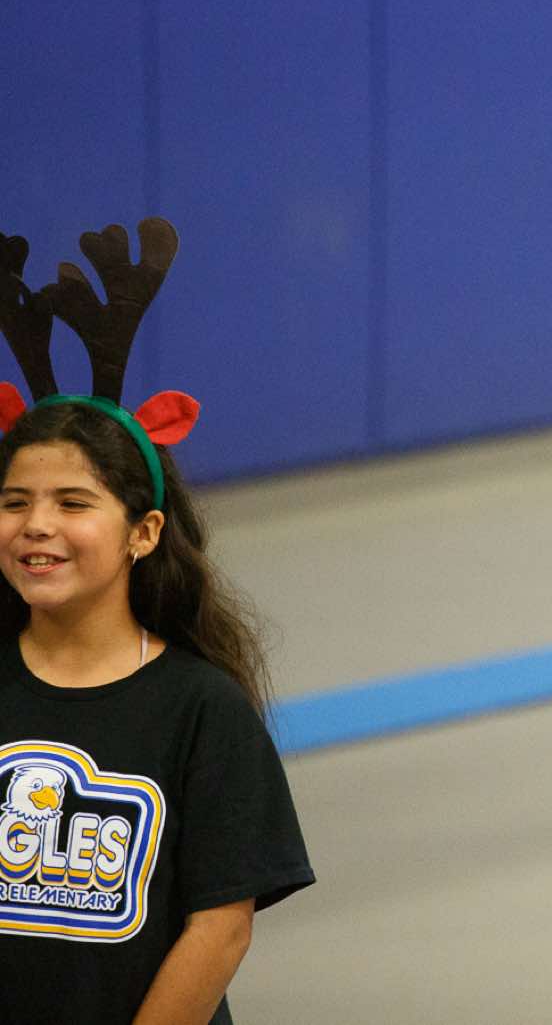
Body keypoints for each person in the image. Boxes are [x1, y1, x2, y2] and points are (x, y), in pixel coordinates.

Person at [0, 221, 313, 1025]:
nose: (37, 525)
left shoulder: (201, 709)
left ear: (143, 532)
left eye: (73, 503)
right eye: (15, 502)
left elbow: (220, 929)